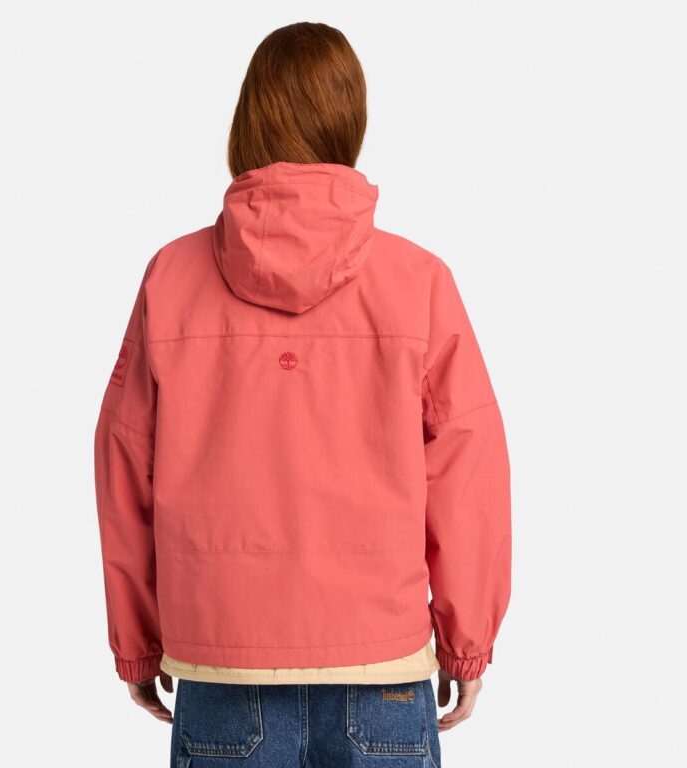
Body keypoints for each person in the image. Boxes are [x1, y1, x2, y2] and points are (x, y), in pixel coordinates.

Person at [94, 21, 511, 768]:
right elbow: (468, 469)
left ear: (249, 118)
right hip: (381, 666)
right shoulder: (418, 281)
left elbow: (123, 465)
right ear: (351, 119)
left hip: (223, 663)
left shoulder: (172, 277)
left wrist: (138, 639)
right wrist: (466, 643)